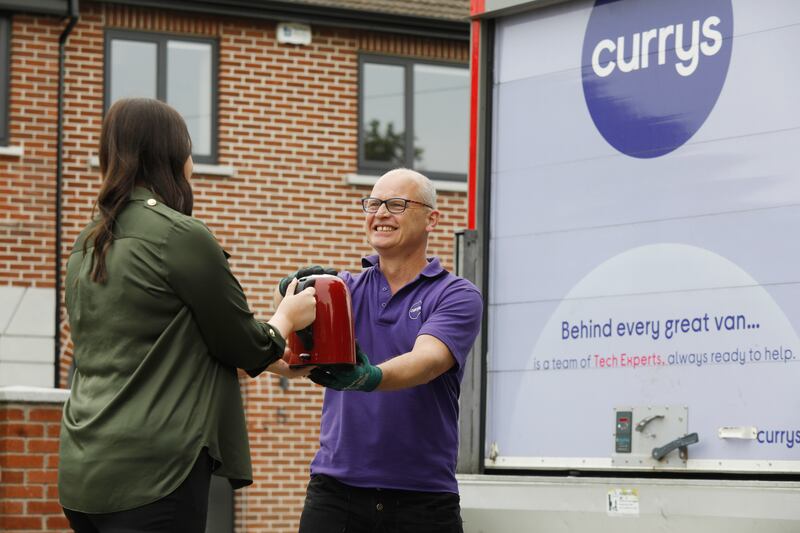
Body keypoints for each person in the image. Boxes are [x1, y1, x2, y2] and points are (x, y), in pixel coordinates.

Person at [58, 97, 317, 532]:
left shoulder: (87, 243)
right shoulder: (180, 236)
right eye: (190, 149)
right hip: (154, 475)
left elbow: (171, 335)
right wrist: (287, 315)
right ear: (172, 156)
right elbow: (240, 340)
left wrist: (275, 361)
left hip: (83, 471)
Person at [289, 168, 483, 533]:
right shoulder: (341, 291)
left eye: (396, 204)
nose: (380, 214)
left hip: (423, 501)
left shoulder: (455, 294)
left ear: (432, 219)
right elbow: (290, 353)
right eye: (373, 203)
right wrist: (287, 294)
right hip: (337, 496)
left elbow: (428, 360)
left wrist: (369, 376)